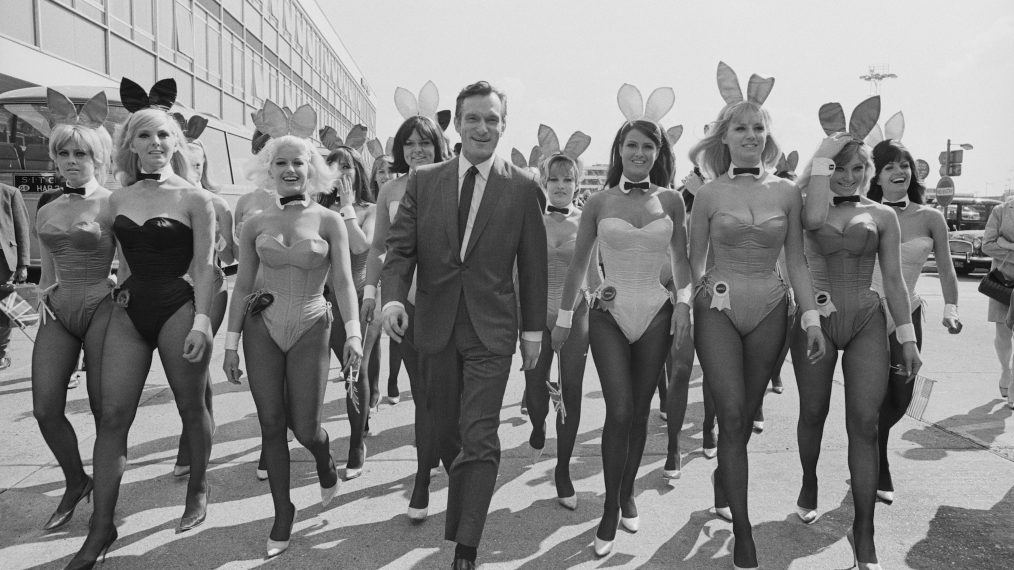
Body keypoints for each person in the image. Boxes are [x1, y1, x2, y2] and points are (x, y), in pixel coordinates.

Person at [381, 81, 547, 570]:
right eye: (473, 118)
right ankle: (466, 503)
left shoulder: (521, 187)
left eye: (492, 119)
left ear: (502, 125)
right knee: (445, 433)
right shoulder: (424, 180)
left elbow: (533, 267)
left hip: (491, 331)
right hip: (432, 326)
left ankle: (466, 548)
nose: (482, 127)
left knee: (480, 436)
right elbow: (400, 250)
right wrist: (392, 301)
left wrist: (532, 333)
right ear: (458, 121)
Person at [66, 78, 217, 569]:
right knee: (112, 417)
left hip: (179, 304)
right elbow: (116, 261)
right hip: (130, 311)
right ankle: (101, 526)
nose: (156, 145)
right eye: (146, 137)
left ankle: (198, 488)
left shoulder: (196, 199)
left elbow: (206, 268)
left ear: (177, 145)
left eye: (164, 137)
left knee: (190, 405)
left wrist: (202, 322)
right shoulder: (115, 199)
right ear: (130, 144)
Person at [687, 63, 825, 570]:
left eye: (758, 126)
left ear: (768, 137)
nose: (750, 134)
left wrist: (810, 318)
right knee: (731, 414)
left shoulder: (787, 192)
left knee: (743, 419)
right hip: (717, 310)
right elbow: (693, 263)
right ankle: (744, 533)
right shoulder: (707, 193)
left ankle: (725, 476)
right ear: (724, 136)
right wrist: (685, 308)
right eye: (740, 126)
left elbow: (797, 262)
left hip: (771, 307)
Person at [554, 84, 692, 557]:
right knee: (618, 410)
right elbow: (578, 264)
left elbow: (683, 262)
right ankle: (610, 509)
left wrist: (686, 306)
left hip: (656, 314)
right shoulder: (597, 202)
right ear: (619, 150)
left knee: (637, 414)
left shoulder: (672, 202)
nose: (639, 153)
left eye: (648, 146)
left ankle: (628, 490)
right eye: (631, 145)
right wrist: (564, 318)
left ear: (658, 153)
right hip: (609, 315)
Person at [222, 113, 362, 557]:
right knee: (270, 425)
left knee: (306, 428)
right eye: (281, 163)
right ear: (269, 169)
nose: (289, 170)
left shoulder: (329, 221)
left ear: (312, 169)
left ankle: (324, 462)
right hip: (261, 328)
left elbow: (342, 283)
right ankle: (283, 513)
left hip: (311, 326)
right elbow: (242, 285)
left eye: (298, 163)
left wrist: (354, 334)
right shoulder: (254, 222)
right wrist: (229, 343)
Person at [793, 100, 921, 569]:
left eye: (856, 168)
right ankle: (809, 478)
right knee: (813, 410)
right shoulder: (806, 206)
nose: (848, 176)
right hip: (816, 319)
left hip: (867, 318)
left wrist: (906, 336)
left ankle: (862, 530)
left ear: (868, 171)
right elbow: (807, 227)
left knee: (864, 425)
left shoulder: (882, 216)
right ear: (826, 169)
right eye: (839, 168)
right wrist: (821, 166)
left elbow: (894, 281)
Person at [31, 89, 115, 531]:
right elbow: (47, 268)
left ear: (97, 156)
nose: (70, 160)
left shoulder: (113, 202)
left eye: (80, 153)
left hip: (104, 308)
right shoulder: (48, 205)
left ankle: (105, 496)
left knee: (104, 409)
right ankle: (75, 479)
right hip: (57, 312)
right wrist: (41, 298)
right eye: (62, 152)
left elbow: (134, 262)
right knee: (46, 408)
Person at [362, 113, 449, 521]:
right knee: (422, 391)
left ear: (438, 146)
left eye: (425, 143)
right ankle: (421, 479)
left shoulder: (454, 183)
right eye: (410, 143)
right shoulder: (390, 190)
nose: (417, 150)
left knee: (447, 390)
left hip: (450, 302)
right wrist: (371, 293)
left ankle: (447, 450)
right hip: (405, 304)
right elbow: (379, 246)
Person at [868, 138, 961, 503]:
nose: (899, 171)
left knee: (904, 394)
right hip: (869, 315)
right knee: (873, 394)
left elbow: (948, 267)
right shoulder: (863, 212)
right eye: (889, 165)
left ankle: (868, 439)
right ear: (875, 174)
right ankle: (878, 466)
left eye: (904, 164)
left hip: (910, 313)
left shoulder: (931, 216)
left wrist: (951, 308)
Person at [524, 129, 597, 510]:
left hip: (577, 316)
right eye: (554, 179)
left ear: (577, 182)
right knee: (537, 396)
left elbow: (596, 278)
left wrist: (609, 302)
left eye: (568, 179)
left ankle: (563, 469)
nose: (561, 186)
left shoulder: (588, 221)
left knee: (570, 390)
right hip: (536, 317)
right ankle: (537, 426)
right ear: (544, 181)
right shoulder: (530, 220)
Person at [172, 130, 236, 477]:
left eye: (199, 163)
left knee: (196, 363)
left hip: (210, 288)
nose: (193, 168)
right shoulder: (169, 200)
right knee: (188, 370)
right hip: (173, 291)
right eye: (187, 162)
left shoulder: (219, 203)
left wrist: (224, 239)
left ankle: (191, 443)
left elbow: (230, 256)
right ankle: (199, 430)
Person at [321, 145, 377, 478]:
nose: (342, 171)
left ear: (358, 171)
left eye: (348, 165)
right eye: (334, 166)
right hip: (321, 301)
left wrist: (346, 207)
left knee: (354, 373)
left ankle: (356, 443)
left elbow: (360, 246)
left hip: (359, 300)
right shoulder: (314, 209)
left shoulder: (369, 210)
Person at [982, 195, 1014, 410]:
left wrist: (1007, 243)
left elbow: (998, 243)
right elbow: (987, 245)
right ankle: (1006, 370)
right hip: (1003, 281)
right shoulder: (1001, 211)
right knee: (1002, 334)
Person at [0, 177, 30, 371]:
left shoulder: (10, 193)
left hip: (3, 262)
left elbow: (22, 229)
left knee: (4, 309)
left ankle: (1, 352)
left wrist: (22, 264)